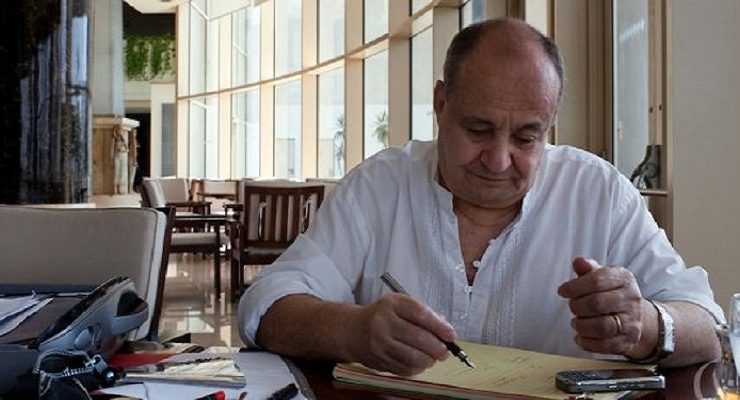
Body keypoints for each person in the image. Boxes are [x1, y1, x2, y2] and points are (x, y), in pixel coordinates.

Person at [238, 18, 723, 376]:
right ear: (440, 104)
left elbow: (708, 328)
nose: (498, 159)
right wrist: (353, 330)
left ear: (549, 126)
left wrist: (644, 324)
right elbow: (267, 306)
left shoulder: (598, 193)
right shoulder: (380, 187)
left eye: (527, 137)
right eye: (478, 130)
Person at [112, 126, 129, 195]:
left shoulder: (123, 139)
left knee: (121, 173)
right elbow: (112, 148)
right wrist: (111, 157)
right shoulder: (114, 138)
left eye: (120, 130)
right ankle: (115, 189)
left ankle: (119, 189)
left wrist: (123, 150)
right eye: (118, 130)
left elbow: (127, 149)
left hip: (122, 156)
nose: (120, 132)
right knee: (116, 172)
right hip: (116, 156)